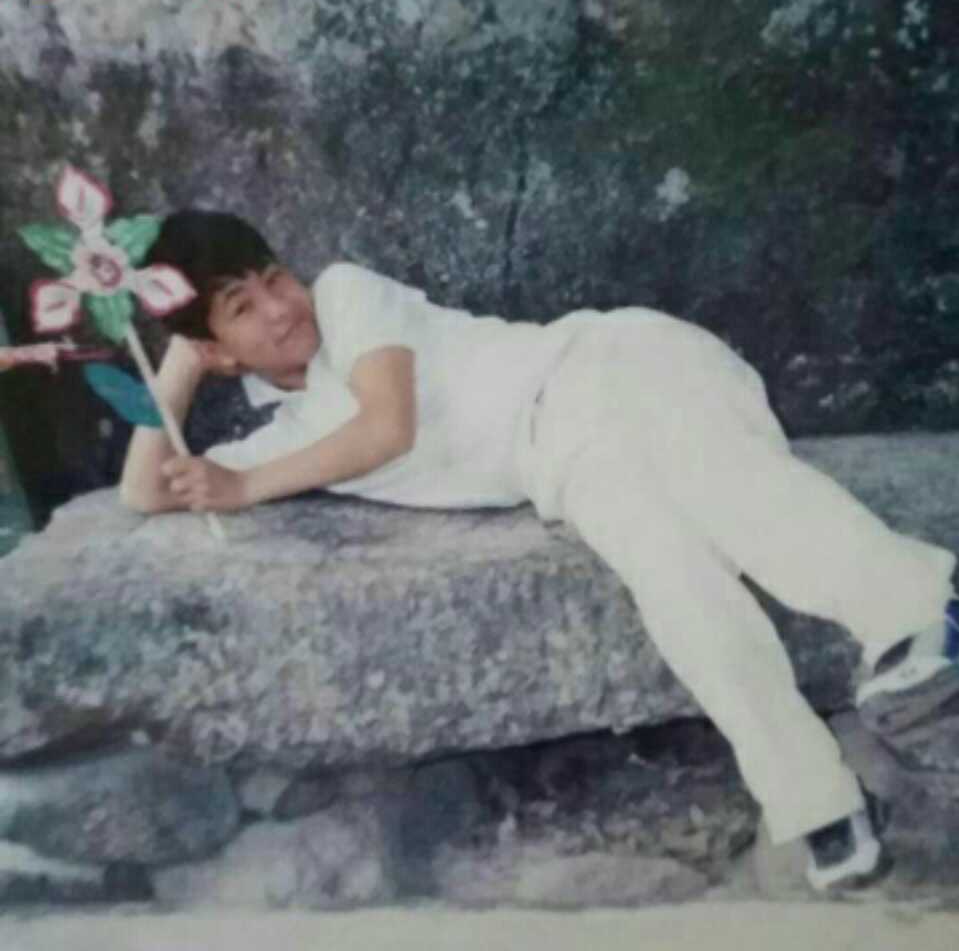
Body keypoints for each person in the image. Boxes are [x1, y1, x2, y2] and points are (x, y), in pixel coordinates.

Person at [121, 210, 959, 893]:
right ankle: (820, 804)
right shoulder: (292, 432)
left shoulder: (345, 295)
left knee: (726, 491)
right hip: (566, 462)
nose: (278, 307)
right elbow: (145, 489)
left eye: (274, 277)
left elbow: (387, 427)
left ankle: (916, 606)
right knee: (674, 587)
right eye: (241, 307)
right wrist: (177, 367)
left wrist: (244, 484)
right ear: (219, 349)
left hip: (613, 365)